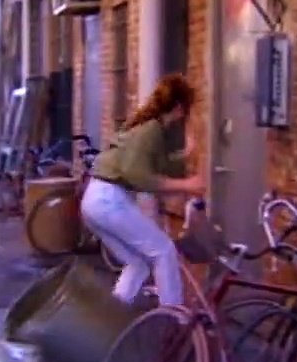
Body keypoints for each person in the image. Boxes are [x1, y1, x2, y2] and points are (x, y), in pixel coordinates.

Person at [80, 73, 205, 306]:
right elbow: (139, 176)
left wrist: (184, 155)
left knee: (137, 263)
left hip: (96, 200)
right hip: (109, 201)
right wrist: (186, 185)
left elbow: (155, 166)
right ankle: (173, 316)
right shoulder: (151, 130)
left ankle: (113, 314)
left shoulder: (150, 128)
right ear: (179, 107)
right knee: (164, 251)